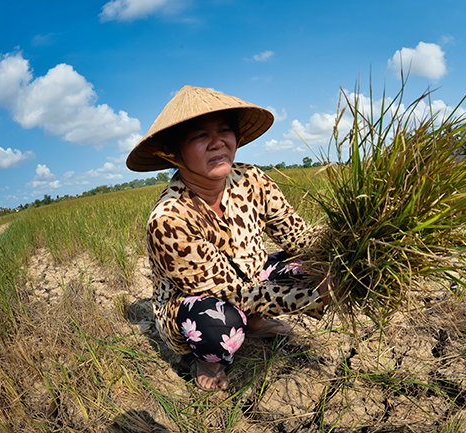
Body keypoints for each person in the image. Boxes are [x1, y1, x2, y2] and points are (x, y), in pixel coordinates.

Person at [126, 86, 329, 391]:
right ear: (174, 152)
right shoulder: (169, 218)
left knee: (312, 266)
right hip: (203, 302)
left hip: (253, 276)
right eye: (200, 136)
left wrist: (344, 246)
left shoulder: (252, 179)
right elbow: (230, 293)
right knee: (220, 324)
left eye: (224, 130)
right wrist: (311, 298)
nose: (218, 142)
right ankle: (207, 360)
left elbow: (298, 237)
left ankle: (257, 322)